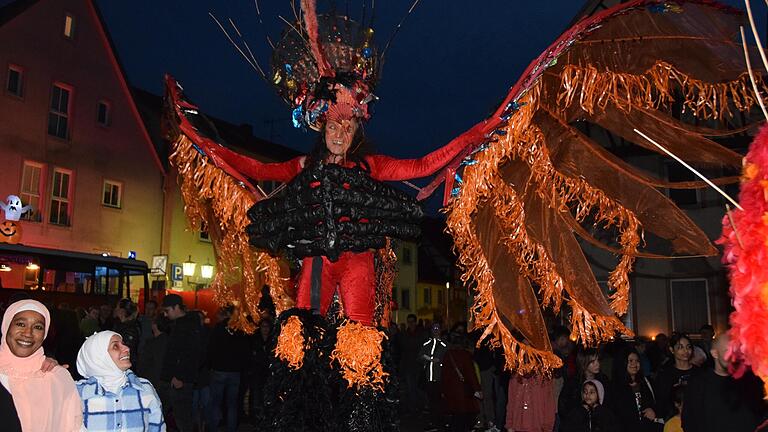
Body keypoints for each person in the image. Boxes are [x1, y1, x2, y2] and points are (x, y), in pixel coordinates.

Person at [0, 299, 84, 431]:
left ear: (44, 335)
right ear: (6, 327)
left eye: (38, 327)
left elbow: (74, 426)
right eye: (21, 324)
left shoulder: (56, 378)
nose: (28, 333)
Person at [76, 330, 165, 431]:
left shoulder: (144, 388)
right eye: (115, 346)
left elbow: (158, 428)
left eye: (123, 344)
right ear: (98, 356)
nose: (127, 348)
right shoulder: (78, 393)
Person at [682, 333, 766, 432]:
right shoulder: (699, 384)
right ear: (715, 353)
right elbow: (689, 421)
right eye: (728, 351)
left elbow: (761, 417)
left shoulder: (749, 381)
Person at [159, 294, 203, 432]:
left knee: (182, 417)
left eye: (167, 311)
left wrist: (179, 376)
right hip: (177, 378)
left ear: (176, 307)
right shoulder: (183, 324)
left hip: (180, 380)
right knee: (179, 416)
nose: (166, 315)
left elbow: (190, 353)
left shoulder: (186, 325)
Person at [206, 306, 250, 432]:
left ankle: (213, 428)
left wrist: (210, 365)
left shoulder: (218, 328)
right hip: (235, 372)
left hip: (219, 370)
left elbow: (211, 349)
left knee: (216, 404)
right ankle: (231, 428)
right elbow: (245, 351)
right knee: (232, 405)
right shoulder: (240, 329)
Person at [608, 349, 663, 432]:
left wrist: (653, 410)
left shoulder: (647, 382)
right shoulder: (615, 387)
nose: (634, 363)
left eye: (637, 361)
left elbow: (660, 402)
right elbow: (612, 414)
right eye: (630, 361)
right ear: (623, 363)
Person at [440, 330, 482, 432]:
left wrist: (443, 390)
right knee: (463, 418)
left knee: (454, 416)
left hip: (450, 390)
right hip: (463, 391)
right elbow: (471, 374)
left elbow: (443, 374)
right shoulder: (465, 355)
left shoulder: (447, 355)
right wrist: (477, 389)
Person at [654, 333, 697, 420]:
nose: (686, 351)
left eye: (688, 347)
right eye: (680, 347)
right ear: (672, 350)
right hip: (672, 421)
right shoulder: (665, 375)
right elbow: (661, 402)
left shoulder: (699, 372)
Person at [559, 348, 609, 416]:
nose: (597, 364)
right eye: (592, 362)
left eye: (598, 360)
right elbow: (564, 405)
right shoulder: (574, 382)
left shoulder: (603, 380)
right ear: (583, 362)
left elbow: (609, 403)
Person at [419, 322, 448, 432]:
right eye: (434, 328)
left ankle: (441, 421)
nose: (436, 330)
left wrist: (439, 361)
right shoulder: (427, 344)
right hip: (429, 378)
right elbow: (419, 356)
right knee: (432, 401)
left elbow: (449, 358)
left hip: (440, 377)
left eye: (437, 328)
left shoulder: (445, 344)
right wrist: (426, 359)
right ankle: (434, 422)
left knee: (440, 400)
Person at [113, 298, 142, 365]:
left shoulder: (130, 328)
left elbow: (127, 348)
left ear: (122, 311)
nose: (115, 309)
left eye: (117, 307)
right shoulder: (120, 325)